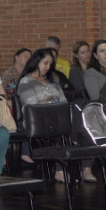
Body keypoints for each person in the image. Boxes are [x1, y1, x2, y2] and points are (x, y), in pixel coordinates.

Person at [16, 49, 77, 179]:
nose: (48, 67)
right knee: (61, 129)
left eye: (50, 64)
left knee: (77, 126)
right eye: (45, 63)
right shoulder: (25, 82)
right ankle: (60, 171)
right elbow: (31, 105)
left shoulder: (52, 81)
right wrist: (54, 109)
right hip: (37, 120)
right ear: (36, 61)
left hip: (57, 117)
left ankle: (84, 167)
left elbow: (64, 101)